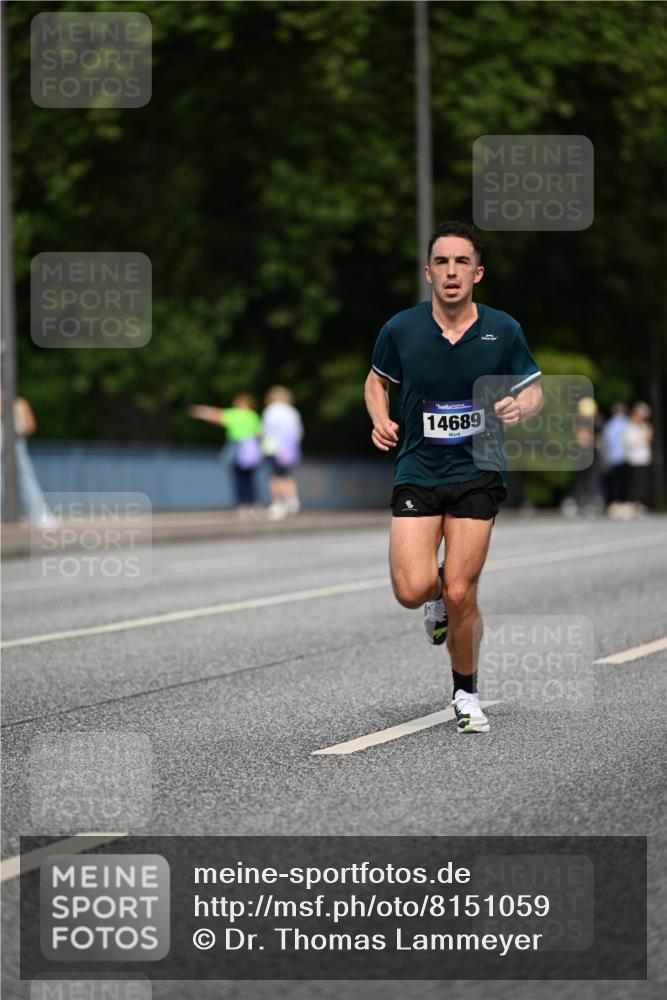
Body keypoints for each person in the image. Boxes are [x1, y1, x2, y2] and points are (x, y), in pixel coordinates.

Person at [364, 220, 543, 734]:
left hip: (478, 469)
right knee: (411, 587)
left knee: (464, 592)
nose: (451, 271)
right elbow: (377, 381)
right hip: (418, 467)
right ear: (428, 272)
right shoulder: (401, 328)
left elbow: (533, 387)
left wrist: (521, 405)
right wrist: (380, 416)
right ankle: (435, 597)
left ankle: (465, 694)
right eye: (441, 262)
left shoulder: (502, 329)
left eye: (461, 262)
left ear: (477, 273)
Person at [188, 395, 262, 515]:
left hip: (238, 448)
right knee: (248, 478)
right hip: (250, 450)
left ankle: (244, 505)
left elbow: (214, 415)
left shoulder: (235, 414)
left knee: (240, 478)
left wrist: (198, 411)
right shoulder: (252, 415)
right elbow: (259, 434)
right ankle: (251, 504)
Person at [0, 396, 56, 527]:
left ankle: (39, 515)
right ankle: (39, 516)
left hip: (15, 441)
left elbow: (30, 425)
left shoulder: (18, 403)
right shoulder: (18, 403)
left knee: (25, 479)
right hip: (13, 441)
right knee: (24, 479)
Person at [261, 386, 304, 520]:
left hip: (274, 447)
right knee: (287, 475)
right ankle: (292, 501)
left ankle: (278, 503)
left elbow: (265, 431)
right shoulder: (292, 411)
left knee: (276, 476)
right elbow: (298, 432)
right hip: (290, 447)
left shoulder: (270, 411)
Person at [623, 401, 653, 515]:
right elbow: (631, 442)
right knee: (634, 482)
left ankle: (640, 503)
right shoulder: (630, 426)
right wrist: (641, 439)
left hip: (643, 458)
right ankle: (632, 503)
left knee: (642, 482)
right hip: (634, 458)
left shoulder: (644, 426)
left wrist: (646, 432)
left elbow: (648, 439)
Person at [602, 403, 630, 515]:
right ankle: (624, 504)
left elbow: (606, 441)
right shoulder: (626, 423)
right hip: (625, 456)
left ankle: (615, 504)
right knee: (625, 482)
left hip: (613, 457)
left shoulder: (609, 425)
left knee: (615, 482)